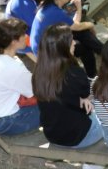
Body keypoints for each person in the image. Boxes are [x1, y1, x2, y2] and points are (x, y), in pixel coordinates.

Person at [33, 25, 104, 155]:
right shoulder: (75, 73)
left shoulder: (38, 73)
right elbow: (87, 96)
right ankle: (94, 163)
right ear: (63, 47)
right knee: (106, 106)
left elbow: (66, 95)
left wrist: (82, 99)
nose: (74, 43)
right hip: (80, 138)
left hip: (52, 135)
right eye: (71, 40)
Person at [30, 0, 102, 78]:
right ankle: (94, 72)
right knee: (84, 46)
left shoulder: (47, 6)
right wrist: (88, 21)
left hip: (46, 45)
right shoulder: (55, 12)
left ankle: (102, 53)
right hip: (49, 54)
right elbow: (76, 26)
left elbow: (73, 25)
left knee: (83, 34)